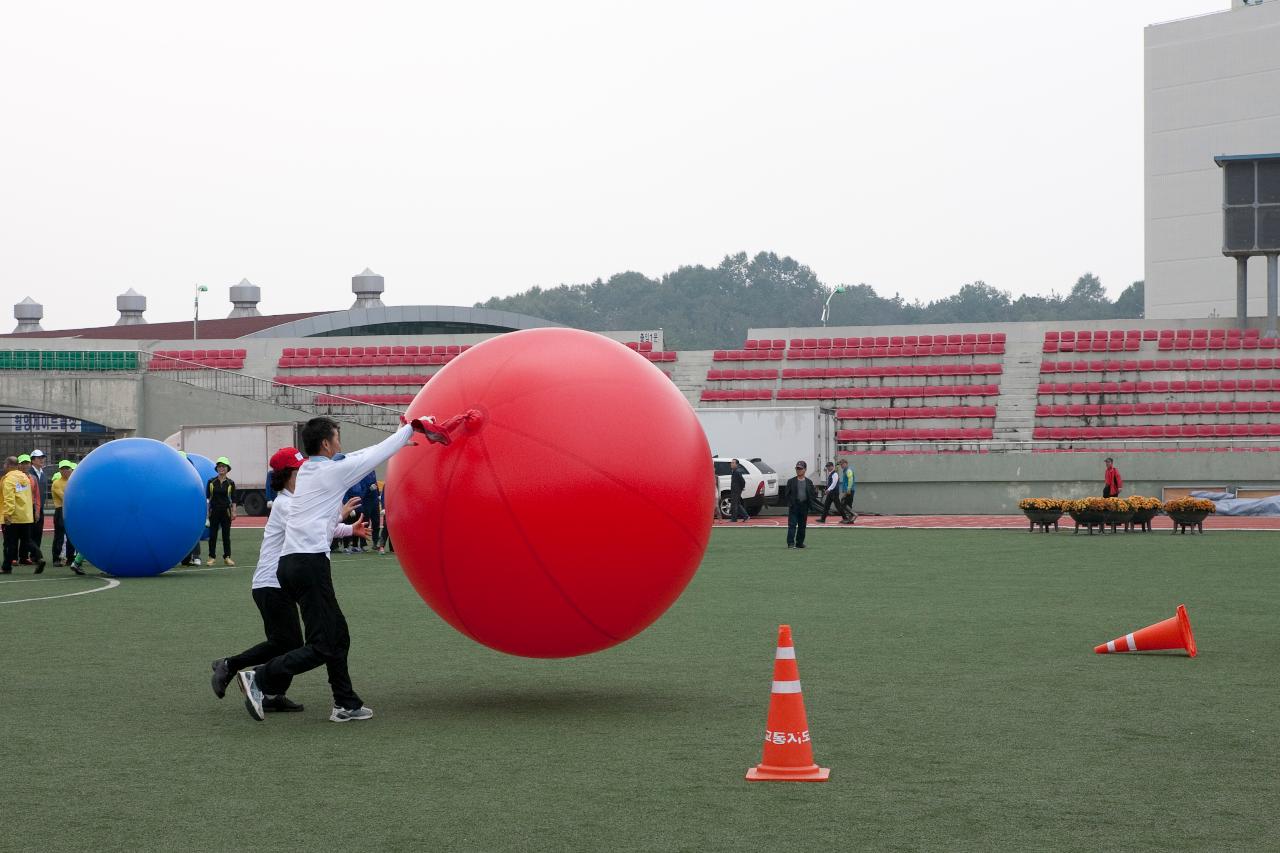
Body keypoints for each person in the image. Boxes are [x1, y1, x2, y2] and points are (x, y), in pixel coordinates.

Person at [236, 411, 468, 723]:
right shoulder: (331, 472)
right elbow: (370, 456)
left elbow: (355, 456)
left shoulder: (309, 471)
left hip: (293, 565)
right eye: (336, 437)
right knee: (323, 643)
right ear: (325, 444)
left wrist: (401, 441)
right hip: (308, 564)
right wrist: (410, 430)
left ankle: (345, 702)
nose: (339, 443)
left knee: (337, 634)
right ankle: (261, 679)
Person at [211, 446, 370, 713]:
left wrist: (348, 529)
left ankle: (270, 691)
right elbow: (316, 526)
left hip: (281, 584)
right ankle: (234, 667)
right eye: (299, 471)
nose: (304, 475)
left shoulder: (296, 501)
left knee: (290, 642)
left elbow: (319, 531)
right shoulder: (286, 504)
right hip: (270, 585)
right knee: (288, 643)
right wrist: (340, 515)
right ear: (286, 475)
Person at [2, 456, 45, 573]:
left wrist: (7, 514)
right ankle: (39, 557)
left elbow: (9, 499)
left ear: (9, 465)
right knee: (27, 541)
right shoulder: (26, 478)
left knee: (10, 542)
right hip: (26, 515)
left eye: (4, 464)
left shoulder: (9, 479)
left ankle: (6, 567)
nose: (3, 466)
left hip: (14, 516)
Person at [49, 460, 84, 574]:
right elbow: (65, 497)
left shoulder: (74, 481)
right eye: (63, 468)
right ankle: (56, 558)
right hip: (61, 510)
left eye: (68, 468)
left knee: (72, 536)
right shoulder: (56, 483)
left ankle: (70, 558)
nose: (66, 471)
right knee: (59, 535)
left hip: (72, 511)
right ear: (59, 470)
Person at [207, 456, 236, 566]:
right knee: (213, 535)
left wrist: (234, 512)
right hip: (214, 511)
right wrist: (206, 515)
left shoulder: (230, 483)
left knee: (226, 536)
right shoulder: (211, 482)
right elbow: (208, 499)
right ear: (217, 468)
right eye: (219, 466)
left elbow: (233, 498)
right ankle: (211, 557)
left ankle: (227, 557)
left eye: (223, 466)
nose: (221, 468)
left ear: (227, 468)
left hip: (226, 512)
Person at [16, 454, 41, 566]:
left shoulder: (33, 478)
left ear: (30, 464)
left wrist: (36, 511)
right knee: (14, 535)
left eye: (27, 463)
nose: (25, 465)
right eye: (22, 463)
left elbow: (36, 496)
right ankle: (12, 558)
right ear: (18, 465)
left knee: (27, 534)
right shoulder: (14, 477)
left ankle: (23, 557)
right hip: (16, 508)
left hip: (29, 508)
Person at [783, 460, 814, 549]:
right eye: (797, 468)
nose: (798, 470)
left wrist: (809, 505)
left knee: (802, 526)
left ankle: (800, 543)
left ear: (805, 470)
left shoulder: (809, 482)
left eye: (800, 468)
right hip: (794, 506)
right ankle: (790, 543)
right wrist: (790, 504)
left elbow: (811, 495)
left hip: (804, 506)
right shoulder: (791, 481)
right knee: (792, 525)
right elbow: (787, 494)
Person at [839, 459, 857, 524]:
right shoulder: (845, 471)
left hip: (849, 490)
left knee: (843, 504)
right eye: (841, 464)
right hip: (848, 490)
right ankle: (850, 519)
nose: (841, 466)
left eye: (842, 464)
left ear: (846, 463)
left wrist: (848, 489)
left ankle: (854, 514)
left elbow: (850, 479)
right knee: (848, 504)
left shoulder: (848, 470)